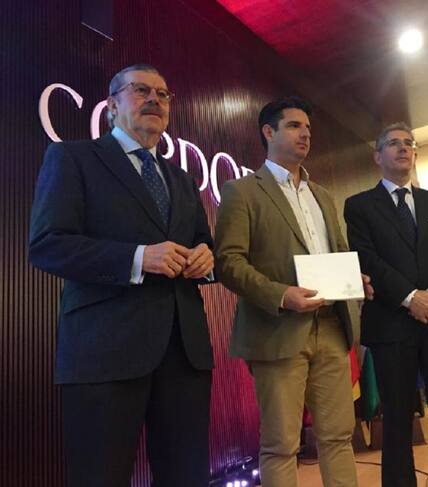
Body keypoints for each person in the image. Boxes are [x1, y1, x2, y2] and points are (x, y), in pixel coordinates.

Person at [29, 64, 215, 487]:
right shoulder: (73, 158)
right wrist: (138, 258)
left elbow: (204, 243)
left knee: (187, 477)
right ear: (112, 106)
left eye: (163, 95)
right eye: (140, 90)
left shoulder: (181, 179)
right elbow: (47, 244)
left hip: (183, 352)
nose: (154, 100)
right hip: (104, 351)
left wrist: (207, 260)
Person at [214, 96, 370, 487]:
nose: (305, 135)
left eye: (308, 128)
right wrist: (282, 295)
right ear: (268, 132)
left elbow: (336, 253)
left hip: (332, 328)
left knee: (338, 437)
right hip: (277, 330)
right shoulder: (242, 191)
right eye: (294, 126)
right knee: (281, 444)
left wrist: (355, 279)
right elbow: (228, 263)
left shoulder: (323, 195)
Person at [344, 122, 428, 487]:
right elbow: (366, 258)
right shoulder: (359, 206)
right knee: (397, 420)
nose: (403, 148)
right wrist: (409, 297)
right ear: (377, 156)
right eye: (393, 143)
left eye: (408, 143)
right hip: (391, 324)